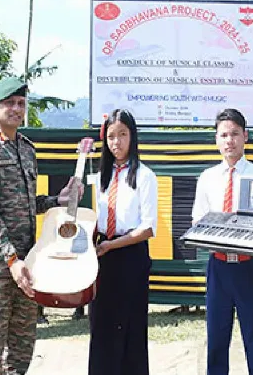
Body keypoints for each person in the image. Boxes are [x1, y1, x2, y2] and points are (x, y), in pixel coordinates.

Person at [0, 76, 79, 375]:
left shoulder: (27, 149)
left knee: (21, 350)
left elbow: (28, 204)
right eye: (9, 104)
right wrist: (11, 259)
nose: (16, 109)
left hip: (28, 264)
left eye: (21, 104)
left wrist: (58, 199)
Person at [191, 108, 253, 375]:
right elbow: (198, 221)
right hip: (218, 268)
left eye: (235, 134)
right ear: (216, 140)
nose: (230, 140)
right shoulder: (207, 177)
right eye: (224, 135)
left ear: (245, 136)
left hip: (249, 267)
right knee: (216, 340)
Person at [88, 109, 158, 375]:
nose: (116, 142)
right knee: (101, 327)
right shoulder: (98, 178)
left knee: (129, 328)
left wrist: (112, 246)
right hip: (100, 257)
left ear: (133, 137)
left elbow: (148, 228)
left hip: (130, 257)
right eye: (111, 136)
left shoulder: (144, 176)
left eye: (122, 135)